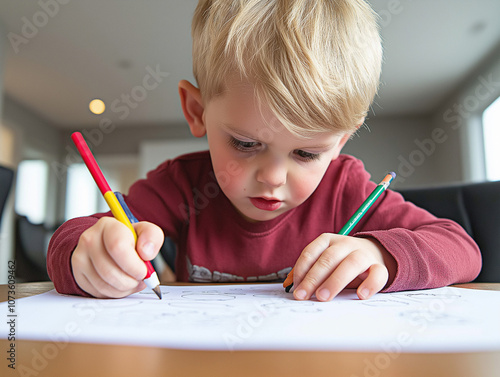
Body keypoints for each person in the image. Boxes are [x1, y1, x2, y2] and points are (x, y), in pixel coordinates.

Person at [47, 0, 481, 301]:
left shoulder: (345, 186)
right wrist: (89, 254)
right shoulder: (182, 185)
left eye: (307, 154)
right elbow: (76, 239)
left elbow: (461, 248)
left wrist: (382, 254)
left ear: (339, 144)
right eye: (246, 144)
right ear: (196, 111)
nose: (273, 177)